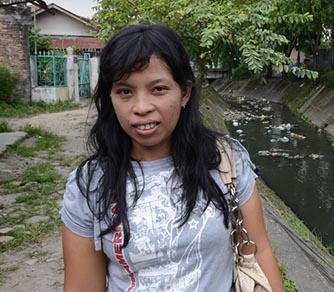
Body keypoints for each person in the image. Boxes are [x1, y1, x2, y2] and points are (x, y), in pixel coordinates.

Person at [61, 23, 285, 292]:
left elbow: (258, 252)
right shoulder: (89, 185)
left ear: (185, 93)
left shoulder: (227, 161)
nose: (141, 108)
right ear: (110, 98)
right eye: (125, 91)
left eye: (158, 89)